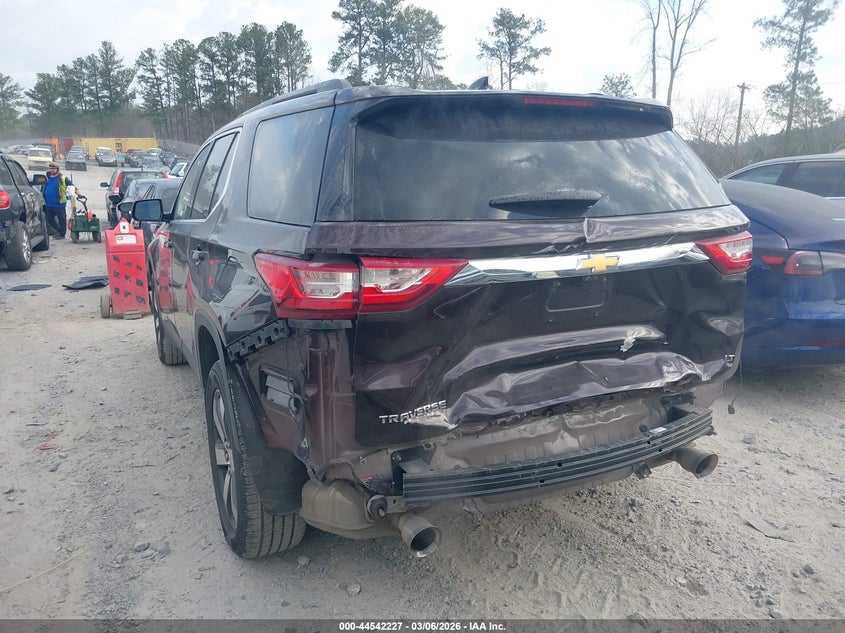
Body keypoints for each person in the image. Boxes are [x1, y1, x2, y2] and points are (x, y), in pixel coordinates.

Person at [43, 162, 80, 239]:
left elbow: (72, 186)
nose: (52, 170)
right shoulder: (47, 177)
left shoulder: (62, 178)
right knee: (49, 219)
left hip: (59, 204)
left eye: (53, 168)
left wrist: (79, 194)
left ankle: (62, 234)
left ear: (57, 169)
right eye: (50, 168)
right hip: (49, 204)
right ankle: (59, 231)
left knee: (62, 219)